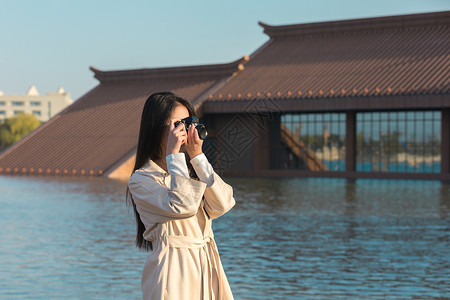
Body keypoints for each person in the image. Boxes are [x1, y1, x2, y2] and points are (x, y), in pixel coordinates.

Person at [127, 92, 235, 300]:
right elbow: (182, 206)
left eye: (188, 122)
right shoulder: (142, 180)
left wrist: (198, 157)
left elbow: (223, 204)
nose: (185, 129)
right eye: (178, 123)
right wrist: (174, 155)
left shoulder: (191, 171)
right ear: (157, 127)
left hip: (207, 264)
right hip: (173, 271)